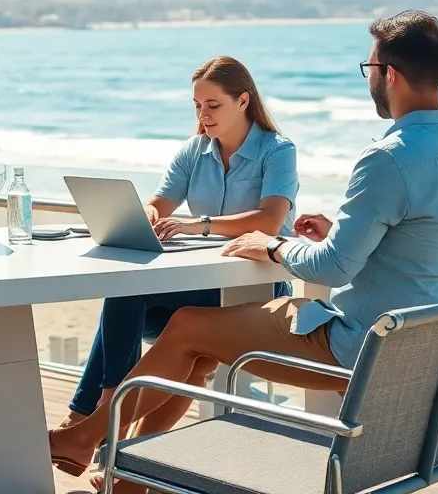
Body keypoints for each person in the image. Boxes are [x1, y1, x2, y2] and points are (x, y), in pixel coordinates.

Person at [49, 11, 438, 493]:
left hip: (357, 345)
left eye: (369, 69)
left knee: (186, 329)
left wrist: (276, 243)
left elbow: (335, 267)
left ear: (390, 75)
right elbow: (422, 244)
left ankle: (90, 439)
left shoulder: (387, 157)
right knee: (194, 336)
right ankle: (128, 474)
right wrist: (331, 232)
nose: (369, 80)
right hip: (426, 340)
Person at [60, 56, 298, 440]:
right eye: (198, 105)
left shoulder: (277, 150)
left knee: (143, 309)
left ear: (243, 101)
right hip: (203, 283)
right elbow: (160, 202)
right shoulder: (194, 150)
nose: (203, 114)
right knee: (125, 292)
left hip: (256, 287)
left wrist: (199, 225)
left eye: (213, 105)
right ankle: (103, 421)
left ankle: (95, 417)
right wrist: (146, 214)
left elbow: (269, 221)